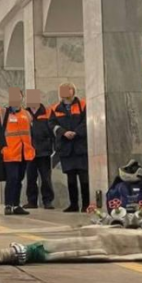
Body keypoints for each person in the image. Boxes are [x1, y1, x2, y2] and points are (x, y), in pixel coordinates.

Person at [0, 87, 34, 215]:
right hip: (10, 152)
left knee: (19, 179)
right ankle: (8, 205)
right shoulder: (2, 113)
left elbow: (31, 132)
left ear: (22, 97)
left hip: (24, 152)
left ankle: (17, 205)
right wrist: (1, 148)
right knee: (12, 178)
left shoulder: (27, 114)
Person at [51, 83, 89, 212]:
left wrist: (76, 133)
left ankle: (86, 204)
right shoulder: (55, 108)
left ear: (73, 91)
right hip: (66, 147)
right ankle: (73, 204)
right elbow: (52, 124)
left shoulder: (83, 105)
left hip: (80, 146)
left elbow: (86, 121)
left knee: (84, 178)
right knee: (71, 178)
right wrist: (64, 132)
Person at [24, 89, 55, 209]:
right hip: (29, 151)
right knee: (31, 178)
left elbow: (52, 131)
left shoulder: (47, 112)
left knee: (45, 178)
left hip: (44, 151)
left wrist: (53, 147)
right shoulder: (24, 113)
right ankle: (32, 201)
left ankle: (47, 201)